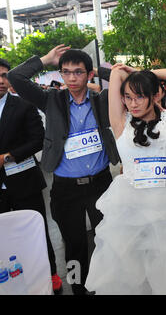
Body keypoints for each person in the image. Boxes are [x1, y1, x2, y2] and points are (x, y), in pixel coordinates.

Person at [84, 64, 166, 294]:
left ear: (155, 95)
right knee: (133, 272)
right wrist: (130, 76)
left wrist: (140, 71)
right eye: (128, 97)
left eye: (140, 97)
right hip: (131, 210)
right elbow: (116, 74)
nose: (132, 104)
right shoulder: (120, 124)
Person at [7, 45, 120, 295]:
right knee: (74, 245)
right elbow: (15, 77)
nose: (71, 78)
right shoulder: (51, 100)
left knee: (110, 239)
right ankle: (78, 288)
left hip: (101, 183)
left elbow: (128, 82)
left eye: (78, 72)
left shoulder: (102, 101)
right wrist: (46, 59)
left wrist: (100, 68)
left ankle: (108, 285)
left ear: (89, 75)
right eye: (66, 72)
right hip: (66, 188)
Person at [0, 58, 62, 294]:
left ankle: (50, 274)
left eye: (5, 75)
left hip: (24, 179)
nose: (1, 81)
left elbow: (38, 139)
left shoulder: (24, 105)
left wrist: (8, 156)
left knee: (35, 230)